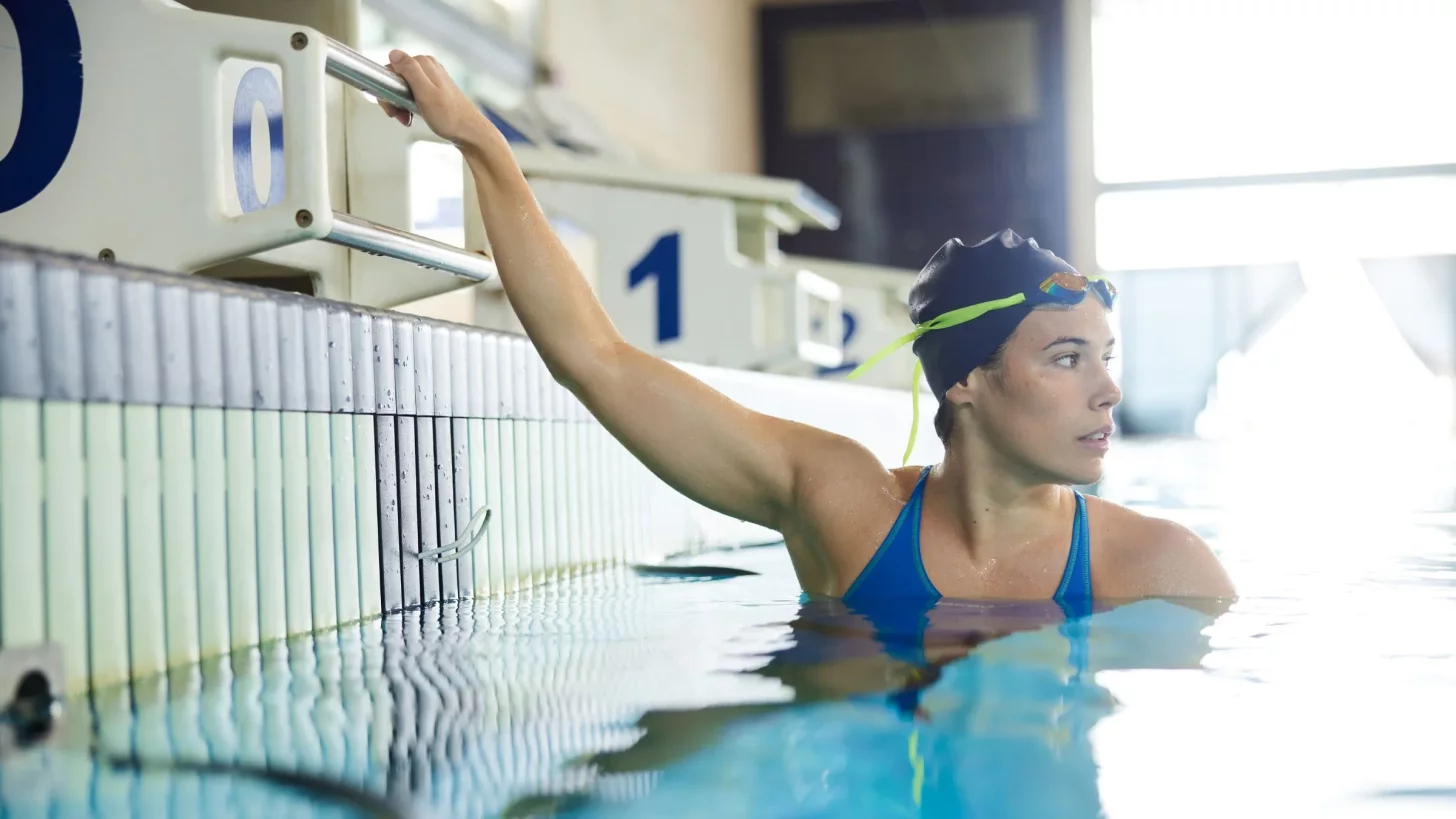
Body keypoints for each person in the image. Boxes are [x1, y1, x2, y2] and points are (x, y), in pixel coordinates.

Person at [376, 50, 1236, 607]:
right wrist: (483, 146)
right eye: (1067, 357)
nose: (1109, 389)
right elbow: (596, 359)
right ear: (967, 381)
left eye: (1106, 356)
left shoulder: (1156, 568)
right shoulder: (844, 505)